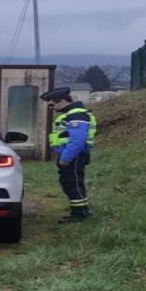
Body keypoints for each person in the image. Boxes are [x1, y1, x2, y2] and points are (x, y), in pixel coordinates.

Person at [40, 87, 97, 223]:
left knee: (72, 183)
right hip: (72, 154)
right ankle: (81, 210)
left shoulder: (76, 115)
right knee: (72, 182)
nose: (52, 108)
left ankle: (79, 214)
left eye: (53, 105)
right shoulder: (71, 114)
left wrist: (66, 157)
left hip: (74, 155)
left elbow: (77, 140)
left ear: (62, 101)